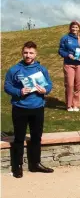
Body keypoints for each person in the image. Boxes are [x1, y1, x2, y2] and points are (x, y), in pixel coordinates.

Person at [4, 41, 54, 178]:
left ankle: (35, 164)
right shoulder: (14, 70)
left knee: (36, 137)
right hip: (20, 108)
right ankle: (17, 166)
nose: (28, 55)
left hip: (37, 107)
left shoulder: (41, 69)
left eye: (31, 53)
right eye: (26, 52)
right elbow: (7, 87)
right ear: (22, 53)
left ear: (35, 54)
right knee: (19, 138)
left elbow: (49, 84)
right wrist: (19, 91)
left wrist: (46, 90)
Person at [58, 20, 80, 112]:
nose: (74, 29)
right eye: (73, 27)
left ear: (79, 28)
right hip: (69, 64)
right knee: (70, 85)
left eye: (76, 27)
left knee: (78, 85)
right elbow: (60, 50)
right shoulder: (65, 38)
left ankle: (76, 105)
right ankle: (69, 105)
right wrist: (68, 55)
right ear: (70, 28)